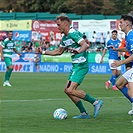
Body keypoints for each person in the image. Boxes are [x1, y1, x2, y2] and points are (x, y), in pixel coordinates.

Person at [38, 13, 103, 119]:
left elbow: (85, 45)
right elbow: (59, 51)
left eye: (59, 25)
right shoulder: (65, 38)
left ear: (65, 24)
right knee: (67, 90)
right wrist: (44, 52)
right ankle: (84, 113)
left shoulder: (73, 33)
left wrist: (78, 50)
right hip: (75, 66)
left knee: (70, 90)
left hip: (81, 65)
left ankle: (96, 102)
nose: (57, 27)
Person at [111, 15, 133, 115]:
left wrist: (120, 62)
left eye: (121, 22)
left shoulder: (131, 35)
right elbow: (128, 49)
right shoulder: (128, 35)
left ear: (127, 23)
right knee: (119, 84)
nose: (119, 25)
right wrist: (117, 49)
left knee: (131, 91)